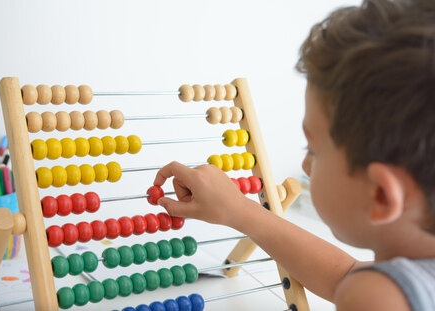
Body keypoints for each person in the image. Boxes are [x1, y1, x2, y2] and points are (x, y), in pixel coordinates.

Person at [154, 0, 435, 310]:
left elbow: (356, 285)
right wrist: (239, 211)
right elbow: (344, 276)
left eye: (313, 150)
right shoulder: (387, 285)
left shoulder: (376, 298)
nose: (305, 165)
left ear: (381, 195)